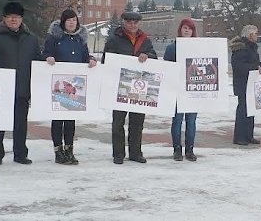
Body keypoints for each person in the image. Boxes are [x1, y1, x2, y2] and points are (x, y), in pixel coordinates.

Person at [0, 2, 40, 165]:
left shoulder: (31, 39)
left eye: (16, 17)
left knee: (21, 123)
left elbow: (37, 61)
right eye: (10, 17)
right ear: (4, 19)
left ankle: (20, 153)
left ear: (21, 19)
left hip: (23, 87)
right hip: (1, 89)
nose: (13, 20)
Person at [43, 9, 97, 165]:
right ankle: (58, 150)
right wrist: (48, 57)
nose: (72, 22)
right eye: (68, 20)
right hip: (58, 86)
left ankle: (69, 149)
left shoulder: (80, 40)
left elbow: (85, 55)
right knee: (58, 119)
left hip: (74, 86)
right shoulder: (55, 38)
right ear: (63, 22)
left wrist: (91, 59)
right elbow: (45, 53)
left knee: (70, 120)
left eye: (74, 20)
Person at [102, 11, 157, 164]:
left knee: (137, 122)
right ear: (124, 22)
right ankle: (118, 154)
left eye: (135, 22)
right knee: (118, 122)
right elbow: (107, 60)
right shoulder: (114, 39)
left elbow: (154, 56)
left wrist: (148, 56)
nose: (132, 25)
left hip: (140, 88)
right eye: (129, 22)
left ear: (139, 23)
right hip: (120, 86)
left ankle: (135, 153)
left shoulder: (145, 40)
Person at [229, 25, 261, 146]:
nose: (257, 36)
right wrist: (255, 67)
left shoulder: (251, 48)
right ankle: (239, 137)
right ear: (249, 35)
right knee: (243, 110)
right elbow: (239, 67)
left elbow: (254, 64)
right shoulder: (240, 48)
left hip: (251, 83)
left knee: (251, 110)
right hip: (242, 84)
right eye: (255, 34)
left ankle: (249, 135)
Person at [164, 18, 198, 161]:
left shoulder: (199, 47)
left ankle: (189, 149)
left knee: (191, 121)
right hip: (177, 90)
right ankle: (177, 149)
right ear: (180, 29)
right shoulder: (172, 48)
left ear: (193, 31)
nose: (186, 30)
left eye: (189, 28)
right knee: (177, 121)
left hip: (193, 88)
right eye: (184, 28)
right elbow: (166, 68)